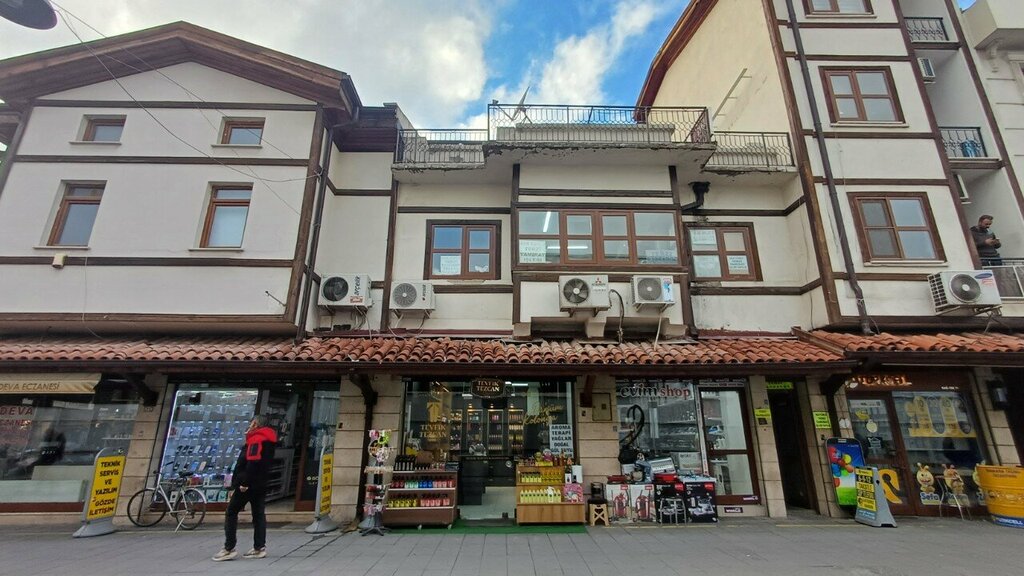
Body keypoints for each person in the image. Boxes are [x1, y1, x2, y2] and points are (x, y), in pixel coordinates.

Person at [212, 415, 277, 562]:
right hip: (261, 483)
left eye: (251, 423)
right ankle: (259, 548)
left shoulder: (257, 439)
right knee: (259, 514)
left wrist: (244, 483)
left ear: (255, 424)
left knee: (231, 512)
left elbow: (253, 463)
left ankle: (229, 548)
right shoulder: (269, 441)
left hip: (249, 484)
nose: (249, 425)